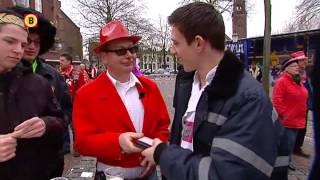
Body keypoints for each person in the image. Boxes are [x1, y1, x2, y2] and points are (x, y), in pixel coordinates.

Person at [141, 2, 289, 180]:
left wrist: (163, 155)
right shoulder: (187, 82)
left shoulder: (248, 99)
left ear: (198, 43)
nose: (172, 50)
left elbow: (225, 174)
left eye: (176, 43)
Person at [73, 20, 170, 180]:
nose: (129, 55)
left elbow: (163, 126)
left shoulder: (150, 87)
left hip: (149, 172)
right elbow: (83, 142)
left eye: (133, 49)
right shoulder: (86, 94)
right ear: (104, 57)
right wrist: (117, 142)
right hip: (112, 175)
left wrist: (156, 151)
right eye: (121, 51)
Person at [0, 8, 65, 179]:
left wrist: (46, 125)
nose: (19, 50)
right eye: (10, 41)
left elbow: (61, 120)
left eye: (22, 44)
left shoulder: (38, 83)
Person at [9, 5, 73, 164]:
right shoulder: (5, 73)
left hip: (48, 161)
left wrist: (47, 125)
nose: (31, 47)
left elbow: (66, 113)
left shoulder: (54, 75)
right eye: (27, 41)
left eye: (37, 42)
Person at [272, 57, 308, 171]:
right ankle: (283, 163)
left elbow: (303, 94)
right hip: (288, 120)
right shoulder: (282, 81)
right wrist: (284, 114)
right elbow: (277, 99)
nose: (297, 67)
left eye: (297, 65)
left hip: (298, 118)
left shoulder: (297, 80)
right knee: (287, 144)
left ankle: (287, 160)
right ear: (286, 69)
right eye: (294, 66)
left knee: (291, 143)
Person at [289, 51, 310, 158]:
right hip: (295, 106)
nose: (305, 61)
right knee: (295, 129)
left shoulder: (304, 72)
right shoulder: (295, 73)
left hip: (304, 105)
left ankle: (297, 147)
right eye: (303, 60)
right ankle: (292, 148)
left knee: (303, 127)